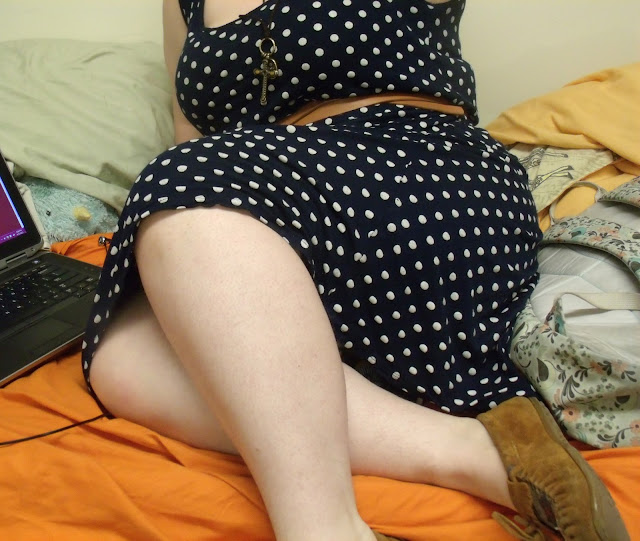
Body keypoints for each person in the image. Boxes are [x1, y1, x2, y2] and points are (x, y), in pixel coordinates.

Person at [82, 1, 630, 540]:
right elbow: (195, 136)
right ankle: (473, 450)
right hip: (277, 192)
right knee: (119, 357)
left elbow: (192, 168)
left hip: (420, 168)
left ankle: (323, 527)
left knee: (182, 180)